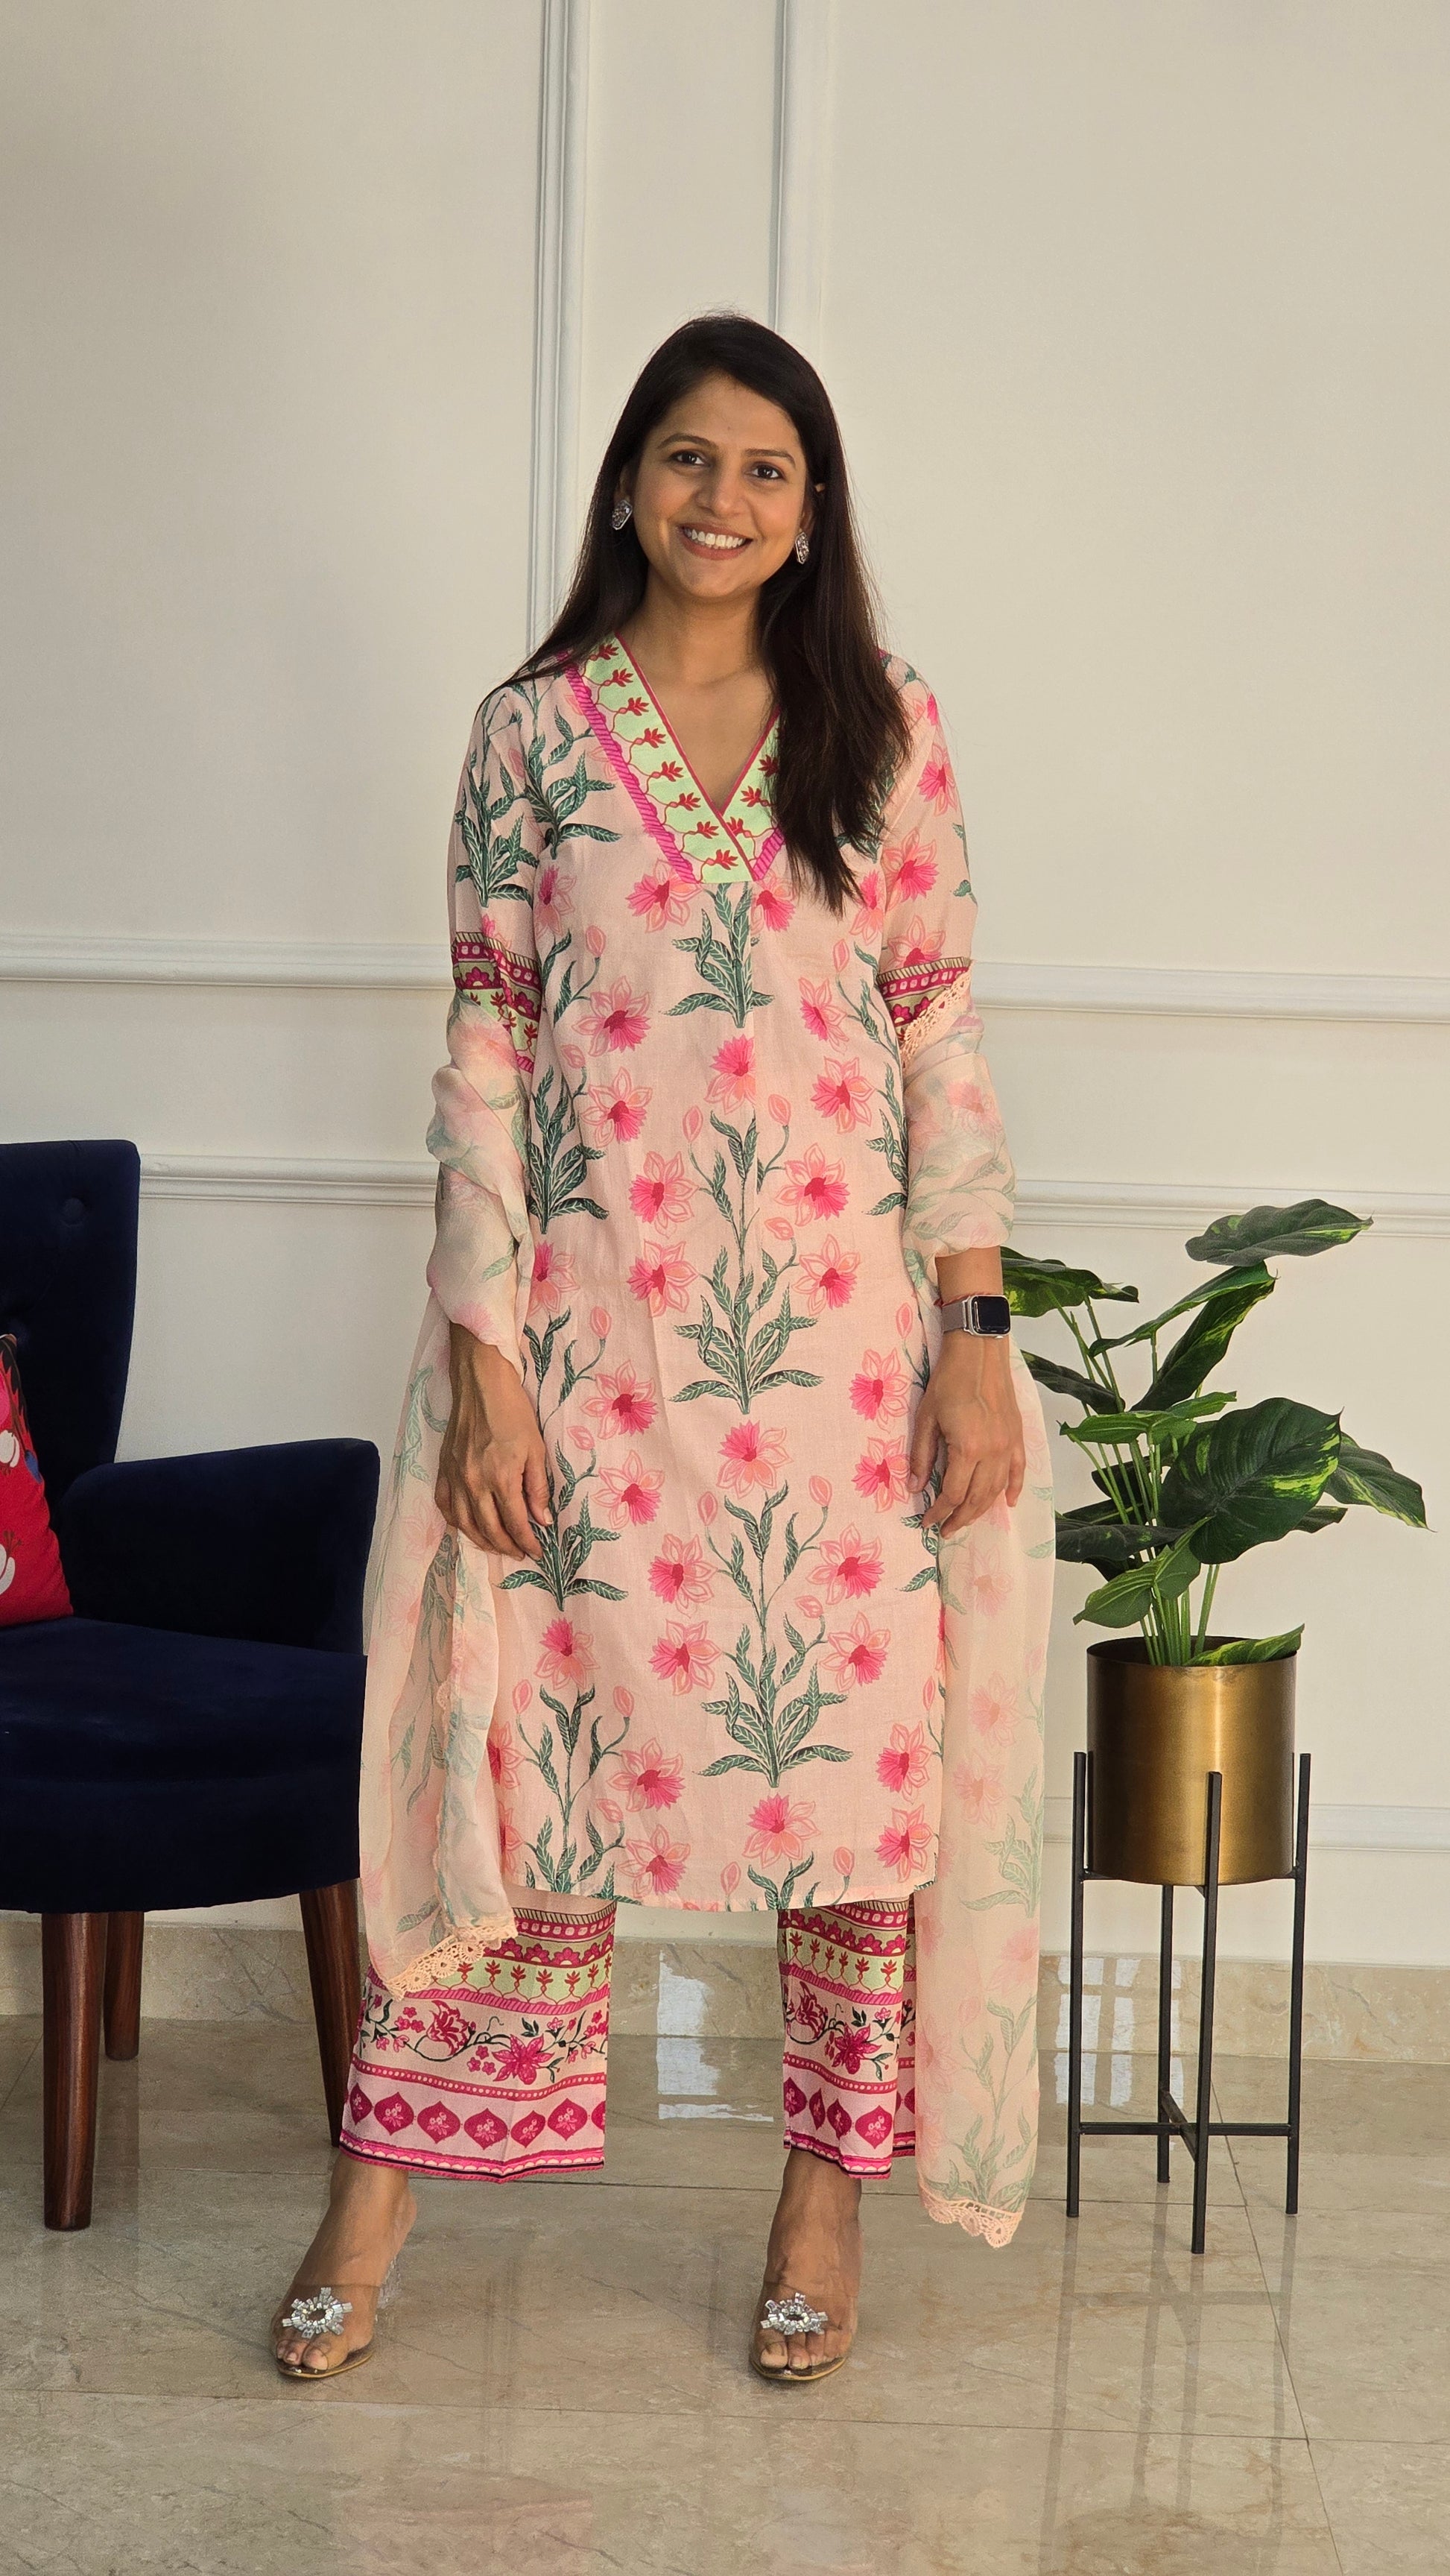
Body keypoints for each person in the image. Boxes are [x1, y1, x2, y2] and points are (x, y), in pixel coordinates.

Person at [272, 313, 1052, 2387]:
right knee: (520, 1767)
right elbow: (482, 1051)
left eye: (765, 469)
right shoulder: (531, 733)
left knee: (857, 1790)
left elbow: (939, 1037)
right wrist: (487, 1364)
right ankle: (376, 2196)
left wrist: (975, 1338)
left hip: (839, 1373)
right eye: (690, 458)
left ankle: (821, 2203)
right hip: (582, 1355)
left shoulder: (881, 723)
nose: (723, 498)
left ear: (811, 512)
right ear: (631, 480)